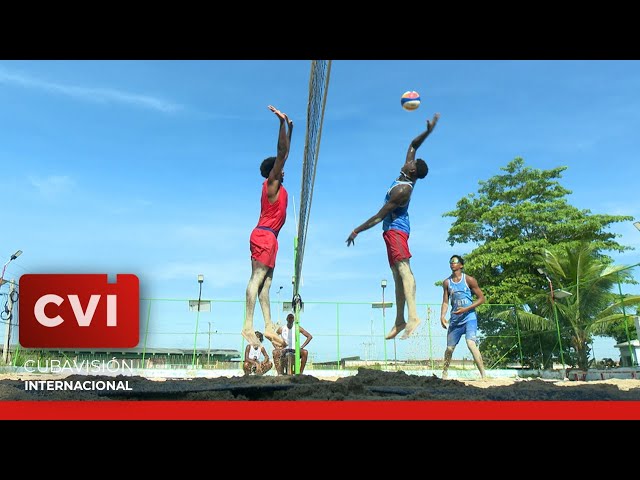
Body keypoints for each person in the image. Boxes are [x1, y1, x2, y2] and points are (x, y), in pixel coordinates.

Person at [346, 113, 440, 340]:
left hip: (397, 229)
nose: (408, 159)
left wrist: (357, 229)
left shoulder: (403, 190)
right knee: (397, 275)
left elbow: (379, 216)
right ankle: (400, 320)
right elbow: (413, 144)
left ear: (413, 171)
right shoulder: (405, 173)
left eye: (411, 162)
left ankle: (414, 315)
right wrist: (428, 131)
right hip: (390, 232)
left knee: (404, 269)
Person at [241, 105, 293, 348]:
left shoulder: (280, 187)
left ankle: (268, 326)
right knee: (257, 278)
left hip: (271, 238)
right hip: (263, 235)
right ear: (274, 171)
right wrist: (281, 124)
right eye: (279, 167)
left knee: (267, 284)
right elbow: (281, 153)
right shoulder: (271, 184)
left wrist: (290, 129)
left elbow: (285, 153)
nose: (283, 169)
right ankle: (248, 325)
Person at [440, 255, 486, 380]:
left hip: (469, 317)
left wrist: (466, 309)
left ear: (461, 265)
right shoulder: (446, 283)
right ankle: (444, 372)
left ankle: (483, 375)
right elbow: (445, 302)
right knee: (449, 349)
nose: (452, 264)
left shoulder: (469, 280)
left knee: (471, 344)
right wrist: (442, 316)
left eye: (454, 262)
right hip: (455, 320)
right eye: (451, 262)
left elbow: (482, 299)